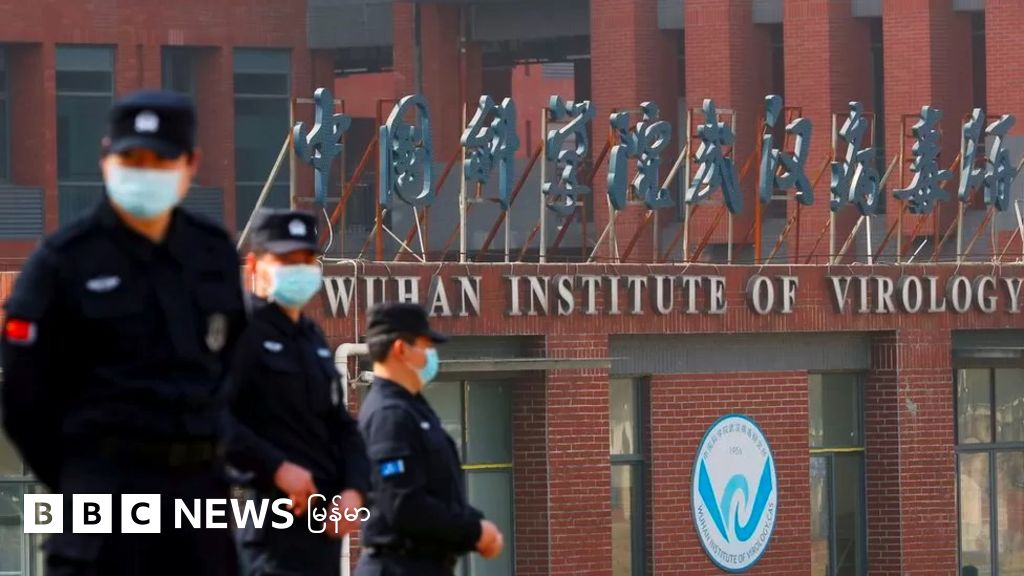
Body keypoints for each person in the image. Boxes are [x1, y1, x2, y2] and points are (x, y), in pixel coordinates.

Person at [0, 90, 246, 574]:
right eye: (131, 159)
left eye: (160, 160)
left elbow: (234, 368)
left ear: (191, 164)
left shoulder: (212, 252)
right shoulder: (64, 261)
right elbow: (23, 398)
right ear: (106, 159)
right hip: (103, 502)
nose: (144, 172)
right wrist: (79, 480)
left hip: (198, 505)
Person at [227, 208, 370, 576]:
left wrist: (354, 490)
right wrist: (275, 467)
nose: (300, 269)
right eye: (287, 260)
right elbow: (214, 419)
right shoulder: (240, 331)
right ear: (254, 264)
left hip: (322, 533)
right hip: (267, 528)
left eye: (307, 260)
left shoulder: (311, 336)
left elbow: (341, 425)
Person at [355, 303, 504, 576]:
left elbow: (439, 491)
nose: (432, 355)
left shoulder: (413, 409)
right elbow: (403, 504)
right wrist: (474, 531)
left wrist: (476, 524)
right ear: (401, 349)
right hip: (399, 567)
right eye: (426, 346)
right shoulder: (389, 415)